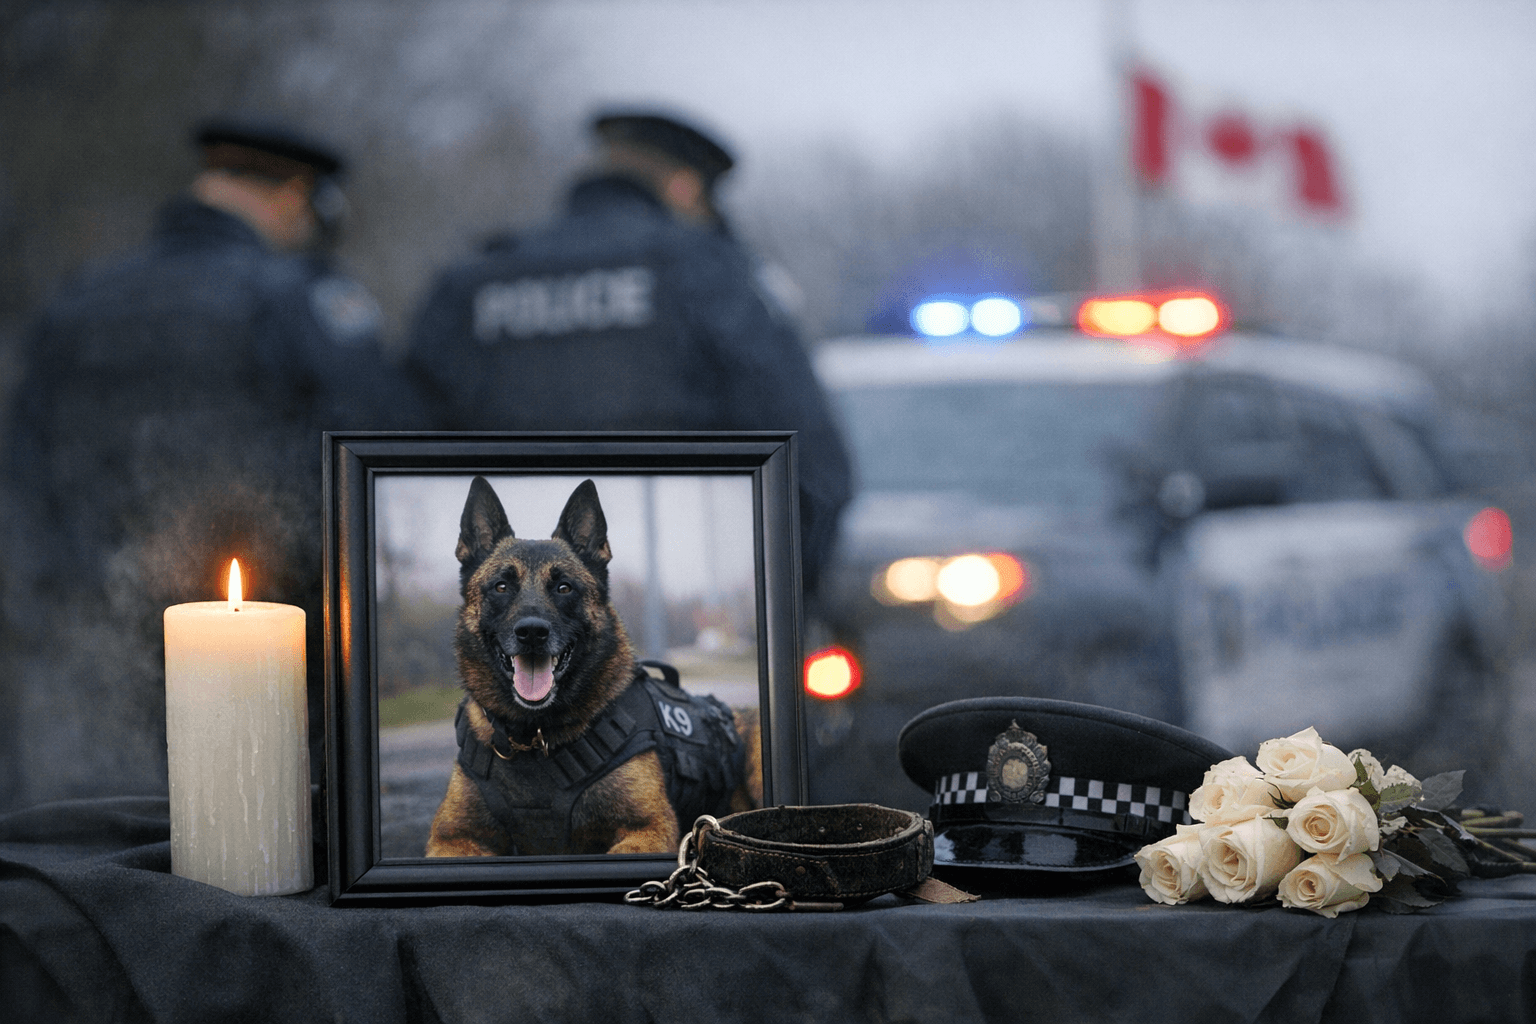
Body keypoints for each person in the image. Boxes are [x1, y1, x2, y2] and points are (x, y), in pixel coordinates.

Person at [2, 117, 422, 808]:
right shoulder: (300, 298)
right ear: (294, 199)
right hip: (262, 662)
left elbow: (21, 485)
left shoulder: (75, 303)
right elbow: (384, 455)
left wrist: (52, 614)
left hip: (94, 668)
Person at [405, 110, 852, 596]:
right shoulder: (709, 271)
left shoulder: (471, 282)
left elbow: (400, 455)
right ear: (685, 188)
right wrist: (777, 611)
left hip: (513, 606)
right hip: (686, 587)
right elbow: (816, 472)